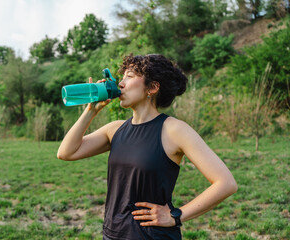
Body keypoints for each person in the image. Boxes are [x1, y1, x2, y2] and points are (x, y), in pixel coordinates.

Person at [57, 54, 237, 239]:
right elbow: (66, 152)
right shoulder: (115, 129)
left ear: (152, 87)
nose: (121, 83)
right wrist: (90, 110)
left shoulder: (174, 130)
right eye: (123, 76)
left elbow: (226, 183)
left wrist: (176, 216)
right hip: (112, 234)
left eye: (130, 76)